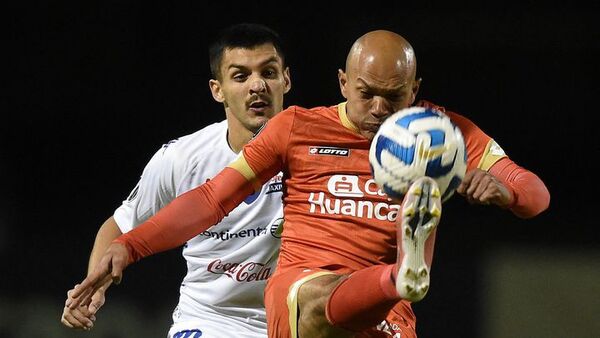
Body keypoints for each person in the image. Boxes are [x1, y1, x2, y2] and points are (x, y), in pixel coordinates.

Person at [67, 30, 550, 338]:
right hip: (295, 295)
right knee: (310, 298)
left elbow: (536, 195)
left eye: (394, 97)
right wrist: (130, 247)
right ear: (342, 82)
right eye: (366, 95)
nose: (380, 109)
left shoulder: (442, 134)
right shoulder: (296, 128)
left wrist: (504, 190)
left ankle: (397, 281)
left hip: (384, 316)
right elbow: (212, 198)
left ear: (415, 90)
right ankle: (400, 274)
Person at [61, 23, 292, 337]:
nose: (257, 86)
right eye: (240, 76)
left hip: (294, 320)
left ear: (285, 80)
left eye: (268, 73)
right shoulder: (182, 159)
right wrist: (95, 285)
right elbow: (119, 226)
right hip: (210, 321)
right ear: (217, 90)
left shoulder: (316, 155)